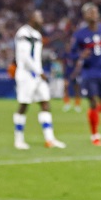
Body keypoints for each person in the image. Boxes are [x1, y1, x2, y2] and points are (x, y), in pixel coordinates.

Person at [13, 9, 65, 150]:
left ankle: (49, 139)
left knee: (45, 103)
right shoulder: (23, 33)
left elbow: (35, 56)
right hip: (26, 74)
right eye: (38, 16)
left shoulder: (37, 34)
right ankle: (18, 140)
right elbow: (24, 57)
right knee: (24, 105)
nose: (41, 19)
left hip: (37, 75)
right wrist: (39, 71)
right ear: (31, 18)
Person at [70, 2, 101, 146]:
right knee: (93, 102)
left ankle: (93, 115)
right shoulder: (79, 34)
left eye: (95, 12)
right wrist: (80, 55)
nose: (93, 14)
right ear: (85, 16)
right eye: (90, 12)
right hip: (89, 72)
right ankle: (95, 135)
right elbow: (72, 53)